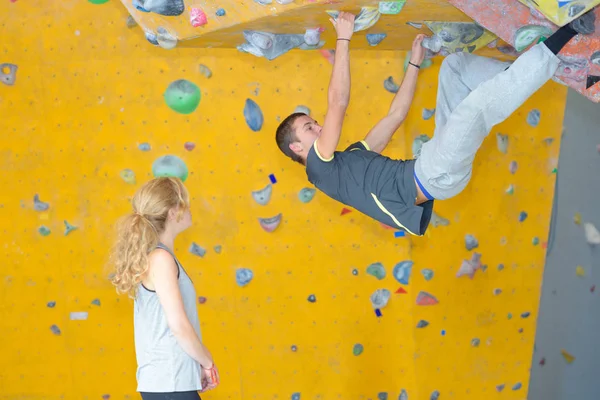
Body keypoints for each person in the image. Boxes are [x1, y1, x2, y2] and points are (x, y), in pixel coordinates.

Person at [275, 10, 596, 237]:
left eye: (314, 122)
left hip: (432, 167)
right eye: (309, 128)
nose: (318, 127)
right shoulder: (318, 169)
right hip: (431, 175)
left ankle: (529, 70)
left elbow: (395, 116)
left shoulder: (351, 161)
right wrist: (343, 38)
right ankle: (565, 36)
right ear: (297, 147)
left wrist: (415, 61)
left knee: (453, 69)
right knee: (474, 111)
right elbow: (338, 103)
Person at [110, 177, 219, 400]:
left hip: (172, 381)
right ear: (172, 212)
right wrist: (207, 361)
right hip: (169, 382)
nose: (190, 210)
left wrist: (195, 366)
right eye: (185, 204)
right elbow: (178, 324)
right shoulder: (160, 259)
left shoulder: (160, 257)